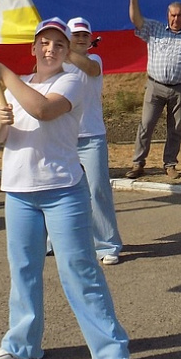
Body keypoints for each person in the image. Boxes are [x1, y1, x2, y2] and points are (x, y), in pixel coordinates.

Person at [0, 18, 132, 359]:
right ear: (33, 48)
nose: (50, 49)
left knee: (79, 270)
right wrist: (0, 119)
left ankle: (112, 350)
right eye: (44, 43)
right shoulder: (20, 85)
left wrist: (5, 75)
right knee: (23, 271)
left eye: (58, 45)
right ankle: (22, 344)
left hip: (63, 190)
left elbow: (43, 110)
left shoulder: (72, 80)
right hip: (19, 192)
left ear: (67, 52)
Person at [125, 0, 181, 179]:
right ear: (167, 15)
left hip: (180, 89)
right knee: (146, 125)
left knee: (175, 128)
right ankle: (138, 164)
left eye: (179, 15)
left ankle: (170, 164)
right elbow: (136, 20)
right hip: (155, 87)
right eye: (172, 15)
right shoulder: (154, 29)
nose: (175, 19)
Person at [64, 16, 124, 265]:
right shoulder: (57, 62)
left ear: (90, 40)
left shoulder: (94, 60)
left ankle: (107, 244)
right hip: (63, 137)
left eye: (84, 35)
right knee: (62, 192)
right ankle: (57, 241)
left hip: (92, 137)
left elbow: (89, 69)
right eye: (75, 34)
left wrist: (62, 50)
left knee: (98, 190)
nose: (80, 38)